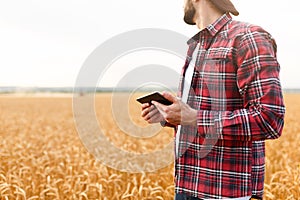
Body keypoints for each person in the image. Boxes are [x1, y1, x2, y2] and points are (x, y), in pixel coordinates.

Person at [141, 0, 285, 199]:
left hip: (226, 193)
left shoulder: (248, 37)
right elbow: (197, 113)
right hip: (186, 185)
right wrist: (169, 115)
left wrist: (192, 118)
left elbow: (269, 119)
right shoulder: (196, 46)